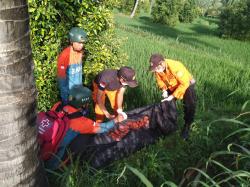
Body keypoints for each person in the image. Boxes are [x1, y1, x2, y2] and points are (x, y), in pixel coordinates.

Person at [45, 85, 125, 169]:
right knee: (85, 137)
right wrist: (116, 120)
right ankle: (65, 165)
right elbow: (103, 128)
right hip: (52, 163)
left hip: (42, 151)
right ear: (83, 104)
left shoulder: (58, 105)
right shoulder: (80, 122)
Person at [149, 53, 196, 140]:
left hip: (186, 84)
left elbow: (184, 83)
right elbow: (160, 81)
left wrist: (173, 96)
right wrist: (164, 90)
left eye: (157, 68)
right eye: (154, 69)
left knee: (190, 105)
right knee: (168, 103)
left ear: (162, 63)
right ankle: (170, 125)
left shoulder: (175, 66)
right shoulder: (157, 69)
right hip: (172, 85)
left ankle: (187, 126)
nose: (156, 71)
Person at [57, 27, 87, 105]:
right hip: (69, 94)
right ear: (72, 41)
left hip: (78, 89)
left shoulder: (80, 52)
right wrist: (65, 99)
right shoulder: (65, 56)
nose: (82, 45)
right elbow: (62, 81)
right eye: (79, 43)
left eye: (83, 43)